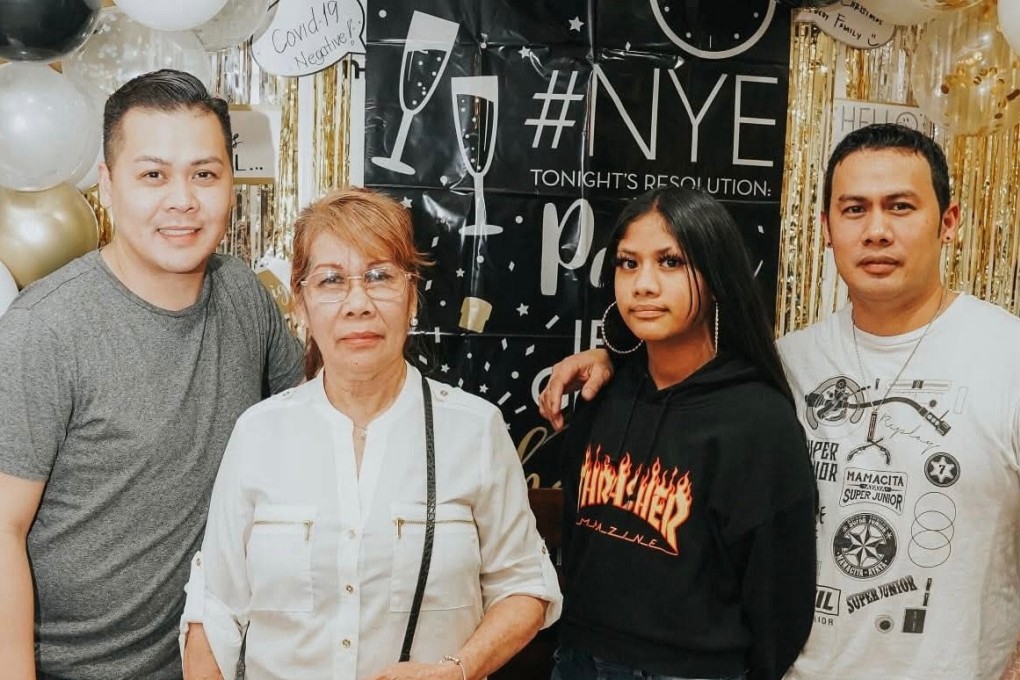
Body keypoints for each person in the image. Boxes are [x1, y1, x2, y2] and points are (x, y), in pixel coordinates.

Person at [539, 124, 1020, 680]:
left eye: (902, 206)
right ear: (825, 228)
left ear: (949, 222)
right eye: (855, 209)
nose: (877, 230)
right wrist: (613, 358)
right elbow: (685, 383)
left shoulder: (1005, 356)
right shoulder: (785, 364)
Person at [180, 187, 562, 680]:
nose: (358, 303)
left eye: (380, 276)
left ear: (412, 296)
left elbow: (526, 584)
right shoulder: (259, 433)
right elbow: (213, 609)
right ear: (301, 303)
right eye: (331, 280)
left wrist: (457, 670)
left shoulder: (475, 429)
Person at [0, 69, 305, 680]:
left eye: (205, 174)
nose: (183, 200)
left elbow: (314, 421)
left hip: (212, 662)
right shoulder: (46, 327)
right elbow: (2, 527)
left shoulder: (241, 294)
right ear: (107, 187)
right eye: (153, 175)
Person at [547, 187, 815, 680]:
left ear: (715, 276)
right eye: (628, 264)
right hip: (579, 658)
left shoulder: (758, 420)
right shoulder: (599, 394)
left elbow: (780, 596)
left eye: (670, 262)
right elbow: (576, 545)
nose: (643, 284)